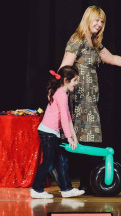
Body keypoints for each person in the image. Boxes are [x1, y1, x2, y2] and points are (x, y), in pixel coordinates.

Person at [59, 5, 121, 193]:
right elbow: (65, 67)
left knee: (89, 141)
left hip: (90, 101)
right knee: (76, 141)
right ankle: (73, 183)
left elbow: (112, 58)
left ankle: (86, 184)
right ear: (87, 19)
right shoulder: (77, 39)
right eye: (96, 20)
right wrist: (58, 92)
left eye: (102, 21)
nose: (99, 24)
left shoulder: (95, 43)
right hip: (78, 100)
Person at [30, 66, 85, 199]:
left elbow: (67, 117)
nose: (76, 83)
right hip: (48, 133)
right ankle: (36, 189)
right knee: (48, 162)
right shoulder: (61, 94)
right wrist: (69, 137)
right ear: (66, 80)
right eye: (75, 80)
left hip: (52, 133)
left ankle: (66, 189)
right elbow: (64, 119)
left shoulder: (60, 93)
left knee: (62, 159)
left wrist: (73, 137)